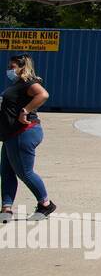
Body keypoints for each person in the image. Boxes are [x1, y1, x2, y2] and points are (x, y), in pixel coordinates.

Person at [1, 54, 55, 221]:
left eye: (13, 67)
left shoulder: (29, 83)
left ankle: (46, 204)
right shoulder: (17, 85)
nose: (9, 70)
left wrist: (25, 111)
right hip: (11, 135)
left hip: (23, 133)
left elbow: (43, 95)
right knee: (6, 171)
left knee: (25, 172)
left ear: (22, 68)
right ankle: (6, 208)